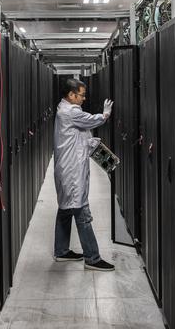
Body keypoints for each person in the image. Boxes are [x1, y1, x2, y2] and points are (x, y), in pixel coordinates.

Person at [53, 77, 115, 271]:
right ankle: (92, 258)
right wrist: (104, 115)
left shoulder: (63, 109)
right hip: (72, 171)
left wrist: (90, 143)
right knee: (82, 212)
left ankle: (62, 250)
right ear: (71, 95)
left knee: (65, 210)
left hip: (66, 167)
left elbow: (77, 134)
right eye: (81, 95)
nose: (83, 99)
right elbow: (90, 120)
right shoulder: (70, 111)